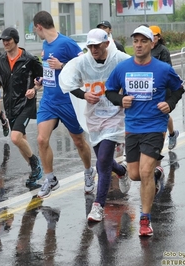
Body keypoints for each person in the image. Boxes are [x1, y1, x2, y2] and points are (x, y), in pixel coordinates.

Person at [105, 25, 185, 236]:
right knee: (134, 175)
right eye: (136, 41)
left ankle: (145, 220)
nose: (138, 45)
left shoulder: (163, 69)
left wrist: (170, 103)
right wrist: (120, 99)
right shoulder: (123, 68)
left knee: (146, 170)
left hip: (155, 126)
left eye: (143, 41)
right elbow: (109, 91)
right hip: (132, 127)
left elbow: (179, 88)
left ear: (152, 43)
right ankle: (154, 179)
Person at [59, 28, 131, 223]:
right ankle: (122, 171)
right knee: (102, 160)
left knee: (103, 161)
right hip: (94, 117)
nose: (93, 49)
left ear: (106, 44)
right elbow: (68, 82)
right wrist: (84, 95)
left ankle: (98, 206)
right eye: (90, 46)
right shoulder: (83, 61)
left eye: (97, 46)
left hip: (116, 116)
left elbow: (136, 70)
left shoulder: (119, 59)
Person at [32, 10, 95, 199]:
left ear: (39, 27)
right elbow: (50, 71)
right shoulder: (45, 44)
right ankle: (50, 178)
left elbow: (85, 66)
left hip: (68, 100)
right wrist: (42, 80)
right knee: (42, 140)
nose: (37, 33)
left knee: (78, 141)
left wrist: (62, 66)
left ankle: (88, 171)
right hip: (49, 100)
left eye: (36, 30)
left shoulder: (67, 43)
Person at [0, 27, 44, 187]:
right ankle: (34, 172)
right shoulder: (0, 62)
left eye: (8, 40)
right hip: (10, 106)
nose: (5, 43)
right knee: (22, 141)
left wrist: (34, 89)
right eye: (3, 40)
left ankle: (36, 164)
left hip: (26, 104)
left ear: (15, 40)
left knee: (15, 138)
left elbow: (41, 80)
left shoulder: (29, 59)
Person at [150, 25, 179, 150]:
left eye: (154, 36)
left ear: (159, 37)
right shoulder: (145, 49)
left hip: (162, 88)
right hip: (148, 89)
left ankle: (169, 137)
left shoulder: (163, 51)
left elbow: (167, 71)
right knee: (157, 115)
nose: (152, 39)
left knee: (162, 115)